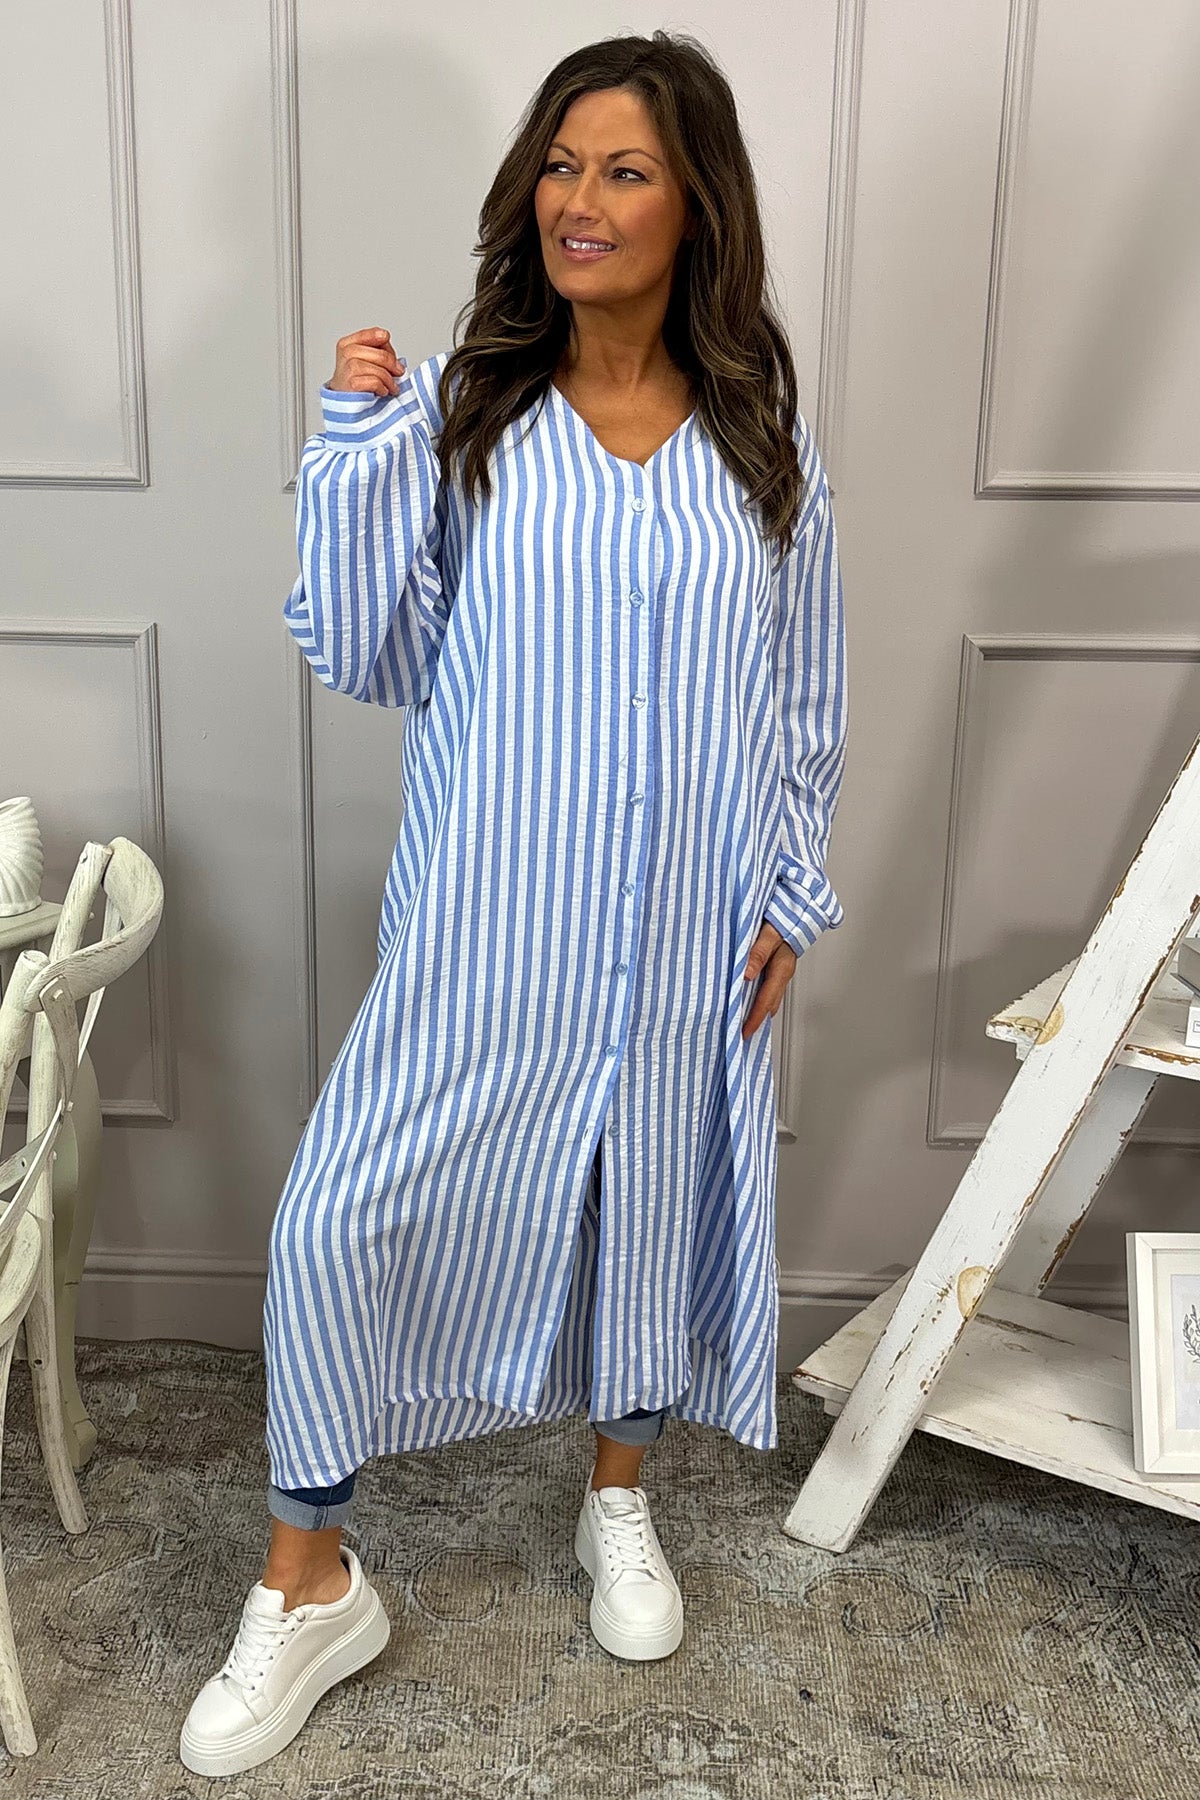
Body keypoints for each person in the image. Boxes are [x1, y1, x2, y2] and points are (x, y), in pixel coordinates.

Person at [180, 27, 847, 1779]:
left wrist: (788, 888)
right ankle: (312, 1577)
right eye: (560, 165)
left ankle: (619, 1495)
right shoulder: (462, 414)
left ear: (697, 207)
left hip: (688, 931)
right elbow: (366, 649)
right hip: (490, 930)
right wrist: (353, 442)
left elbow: (802, 693)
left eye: (624, 169)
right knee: (335, 1219)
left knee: (646, 1203)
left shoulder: (763, 445)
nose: (579, 200)